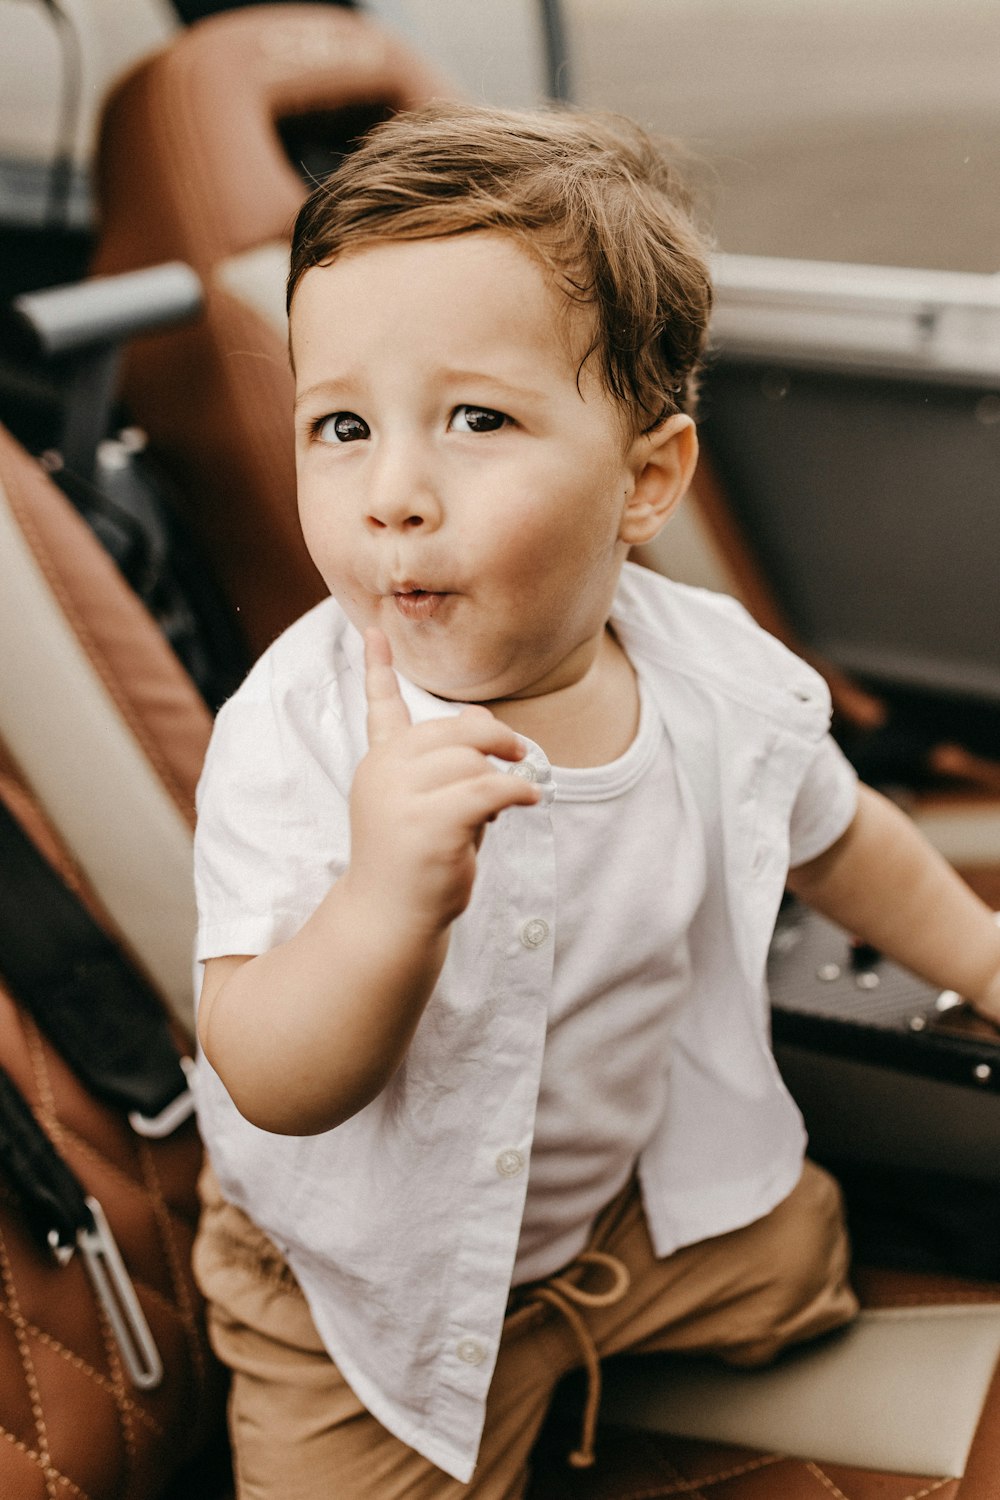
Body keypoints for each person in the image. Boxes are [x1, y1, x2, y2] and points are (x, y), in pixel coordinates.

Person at [190, 101, 1000, 1498]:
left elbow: (845, 838)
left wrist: (982, 955)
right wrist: (386, 900)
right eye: (340, 425)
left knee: (804, 1254)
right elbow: (270, 1076)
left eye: (476, 418)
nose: (392, 491)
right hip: (368, 1292)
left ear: (647, 480)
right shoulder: (301, 731)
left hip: (632, 1204)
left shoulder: (715, 678)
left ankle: (615, 1324)